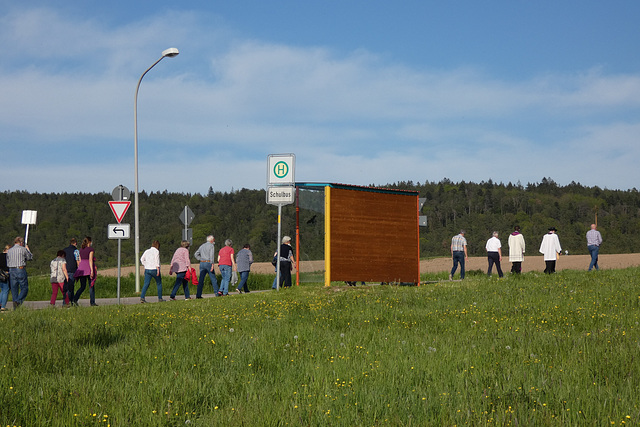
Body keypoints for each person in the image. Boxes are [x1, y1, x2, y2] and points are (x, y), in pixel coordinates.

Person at [7, 236, 33, 308]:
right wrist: (28, 250)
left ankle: (16, 307)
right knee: (24, 287)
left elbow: (8, 260)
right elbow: (29, 258)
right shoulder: (23, 249)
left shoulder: (9, 250)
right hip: (20, 269)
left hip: (11, 269)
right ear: (21, 243)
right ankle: (18, 301)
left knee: (14, 289)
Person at [73, 236, 97, 306]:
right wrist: (92, 270)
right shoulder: (91, 250)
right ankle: (92, 302)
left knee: (82, 286)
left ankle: (75, 299)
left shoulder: (81, 250)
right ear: (89, 242)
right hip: (88, 268)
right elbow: (90, 260)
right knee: (91, 286)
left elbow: (80, 260)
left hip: (82, 268)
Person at [63, 238, 81, 307]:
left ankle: (70, 302)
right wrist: (79, 271)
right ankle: (67, 302)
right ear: (75, 243)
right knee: (70, 288)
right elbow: (78, 261)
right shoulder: (76, 251)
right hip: (72, 270)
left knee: (67, 287)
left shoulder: (64, 250)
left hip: (65, 270)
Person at [0, 245, 10, 311]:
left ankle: (0, 304)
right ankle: (3, 306)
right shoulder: (8, 257)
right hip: (5, 274)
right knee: (5, 290)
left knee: (2, 290)